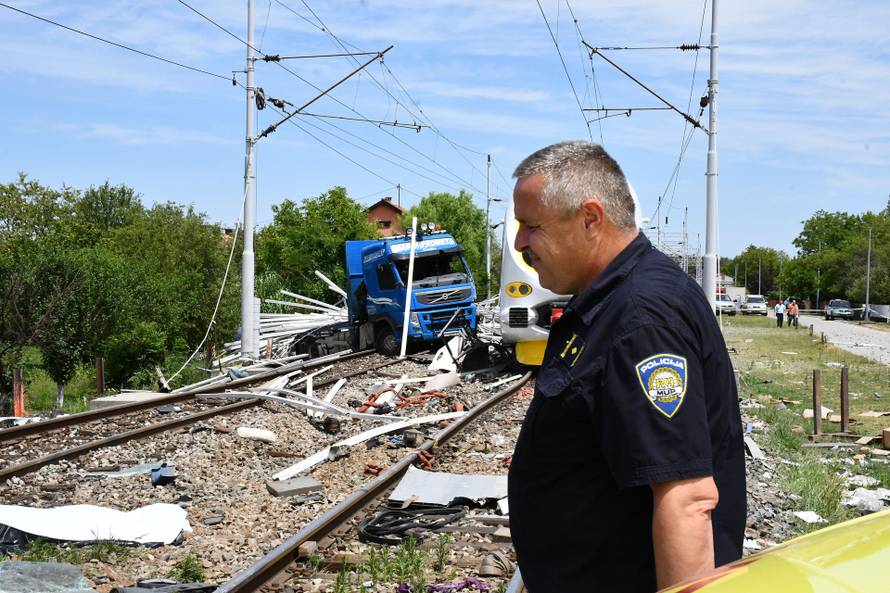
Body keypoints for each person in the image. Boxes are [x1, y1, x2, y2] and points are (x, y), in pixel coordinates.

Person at [507, 141, 746, 593]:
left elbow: (687, 499)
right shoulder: (614, 301)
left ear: (590, 219)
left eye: (531, 226)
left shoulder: (642, 319)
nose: (520, 243)